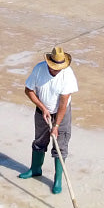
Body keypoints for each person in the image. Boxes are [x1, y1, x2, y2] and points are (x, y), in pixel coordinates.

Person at [20, 46, 78, 195]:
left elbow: (63, 104)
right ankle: (35, 169)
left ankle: (58, 180)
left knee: (60, 145)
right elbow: (28, 90)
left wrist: (56, 125)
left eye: (59, 68)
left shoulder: (67, 75)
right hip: (42, 111)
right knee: (39, 141)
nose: (57, 70)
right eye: (54, 67)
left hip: (61, 113)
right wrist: (43, 108)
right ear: (49, 63)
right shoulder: (39, 69)